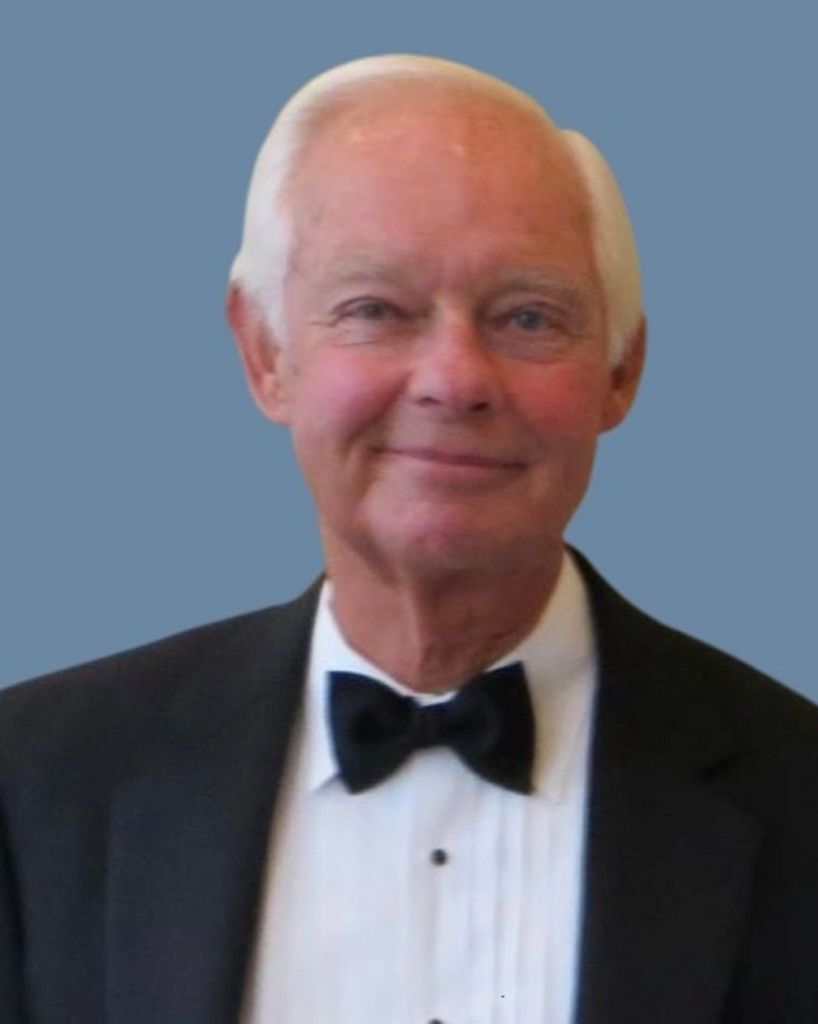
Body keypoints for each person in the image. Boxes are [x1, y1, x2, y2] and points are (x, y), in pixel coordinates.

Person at [1, 54, 816, 1024]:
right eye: (376, 310)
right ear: (265, 353)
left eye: (527, 316)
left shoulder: (798, 790)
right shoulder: (33, 783)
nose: (454, 379)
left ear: (620, 369)